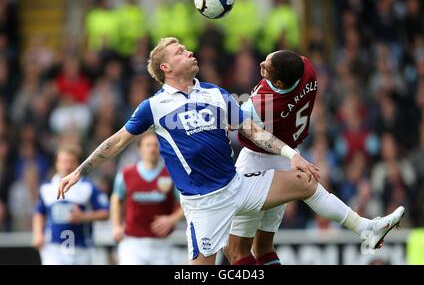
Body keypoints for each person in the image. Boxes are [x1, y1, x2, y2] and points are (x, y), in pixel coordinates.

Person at [58, 37, 404, 265]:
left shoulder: (214, 93)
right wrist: (80, 171)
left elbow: (253, 131)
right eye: (179, 51)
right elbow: (116, 141)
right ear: (165, 68)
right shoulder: (154, 107)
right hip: (204, 204)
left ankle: (366, 228)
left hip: (238, 185)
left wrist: (291, 155)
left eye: (185, 48)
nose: (188, 51)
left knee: (305, 182)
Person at [224, 50, 318, 265]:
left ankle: (361, 225)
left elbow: (234, 121)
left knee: (235, 250)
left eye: (266, 67)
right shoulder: (307, 70)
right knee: (263, 246)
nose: (261, 65)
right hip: (286, 160)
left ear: (279, 82)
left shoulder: (263, 104)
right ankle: (360, 225)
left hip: (257, 160)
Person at [111, 131, 184, 264]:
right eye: (148, 145)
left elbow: (187, 204)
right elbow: (116, 198)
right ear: (139, 149)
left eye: (156, 145)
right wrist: (116, 226)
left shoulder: (171, 175)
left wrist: (172, 219)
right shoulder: (126, 174)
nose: (152, 149)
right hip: (132, 243)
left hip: (161, 244)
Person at [32, 144, 109, 265]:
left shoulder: (88, 186)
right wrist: (38, 234)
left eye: (71, 162)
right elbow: (39, 213)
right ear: (56, 163)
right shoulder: (46, 188)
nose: (67, 166)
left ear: (78, 164)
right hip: (53, 248)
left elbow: (105, 213)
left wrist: (84, 217)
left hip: (81, 248)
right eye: (63, 161)